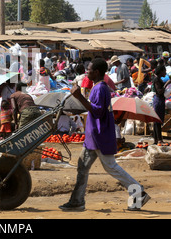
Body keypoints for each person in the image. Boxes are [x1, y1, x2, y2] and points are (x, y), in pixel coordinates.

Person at [59, 58, 150, 212]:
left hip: (100, 135)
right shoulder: (97, 87)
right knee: (82, 166)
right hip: (93, 135)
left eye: (89, 69)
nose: (86, 72)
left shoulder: (100, 88)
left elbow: (98, 111)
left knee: (111, 167)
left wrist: (79, 97)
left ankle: (138, 192)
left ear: (97, 72)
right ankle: (77, 201)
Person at [152, 65, 167, 144]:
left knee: (157, 121)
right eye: (164, 71)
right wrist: (166, 84)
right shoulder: (157, 80)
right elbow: (159, 91)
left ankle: (156, 139)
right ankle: (159, 139)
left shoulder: (158, 79)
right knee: (158, 121)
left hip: (160, 100)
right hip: (158, 101)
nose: (165, 73)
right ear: (161, 71)